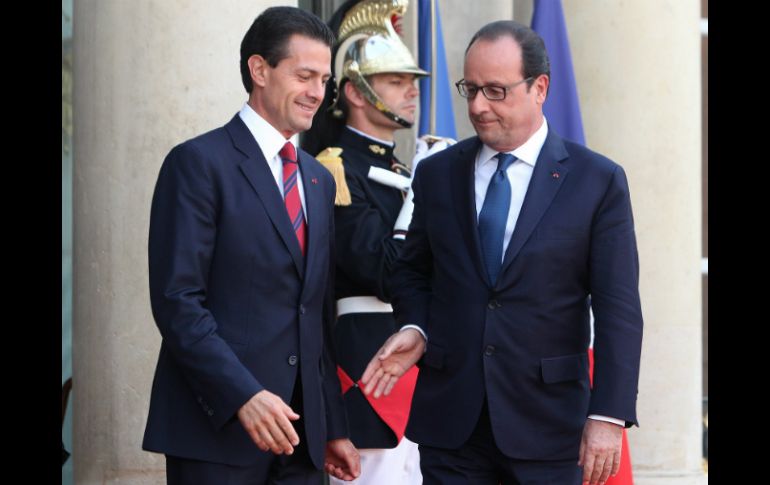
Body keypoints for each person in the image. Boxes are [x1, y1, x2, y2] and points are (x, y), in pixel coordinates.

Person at [361, 20, 643, 485]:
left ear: (540, 88)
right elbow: (411, 273)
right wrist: (416, 326)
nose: (477, 106)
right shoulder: (437, 174)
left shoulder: (597, 181)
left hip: (550, 428)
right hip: (452, 427)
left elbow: (619, 309)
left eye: (495, 91)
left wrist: (608, 415)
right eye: (470, 89)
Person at [142, 7, 360, 484]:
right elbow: (178, 302)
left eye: (324, 79)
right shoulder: (197, 163)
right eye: (304, 76)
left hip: (301, 441)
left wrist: (332, 425)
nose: (317, 92)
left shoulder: (319, 180)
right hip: (216, 433)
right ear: (259, 70)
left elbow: (316, 314)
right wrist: (243, 394)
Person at [302, 1, 451, 483]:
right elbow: (385, 271)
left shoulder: (399, 169)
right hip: (368, 368)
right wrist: (421, 193)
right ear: (356, 91)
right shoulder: (335, 169)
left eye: (411, 80)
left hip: (420, 369)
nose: (412, 90)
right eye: (395, 80)